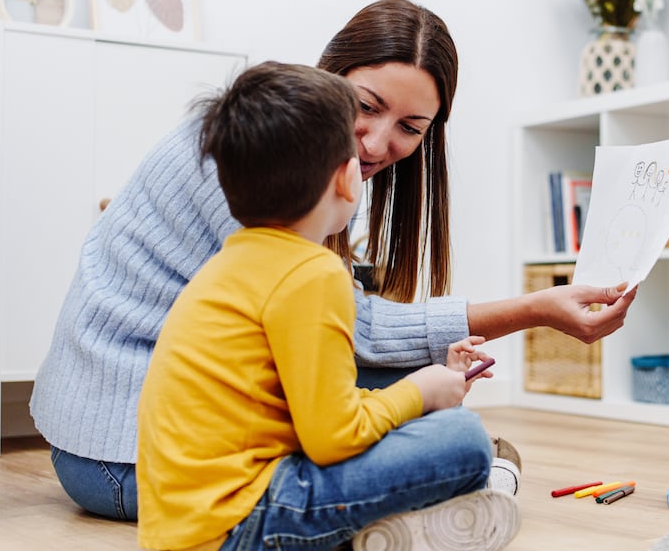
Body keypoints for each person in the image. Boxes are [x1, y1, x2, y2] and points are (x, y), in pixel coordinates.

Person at [29, 0, 638, 520]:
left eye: (410, 127)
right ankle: (450, 479)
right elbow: (357, 334)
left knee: (419, 392)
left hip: (177, 430)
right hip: (121, 454)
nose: (377, 144)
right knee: (454, 434)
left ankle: (439, 469)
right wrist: (532, 310)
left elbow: (338, 335)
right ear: (332, 72)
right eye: (367, 106)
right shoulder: (251, 159)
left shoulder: (295, 158)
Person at [137, 60, 518, 551]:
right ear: (347, 177)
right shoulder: (312, 274)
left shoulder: (228, 266)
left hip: (182, 529)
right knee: (463, 440)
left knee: (418, 419)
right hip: (241, 527)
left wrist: (417, 394)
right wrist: (419, 392)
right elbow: (332, 438)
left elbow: (316, 408)